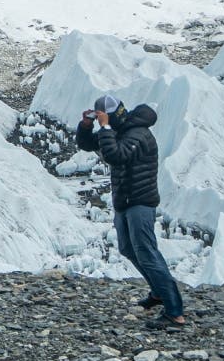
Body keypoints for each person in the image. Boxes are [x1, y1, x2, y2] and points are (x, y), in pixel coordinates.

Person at [75, 92, 186, 328]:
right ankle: (157, 293)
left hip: (140, 201)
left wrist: (104, 129)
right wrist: (86, 126)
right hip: (125, 201)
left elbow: (117, 156)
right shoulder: (122, 131)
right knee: (128, 248)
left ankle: (175, 312)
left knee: (147, 252)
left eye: (103, 116)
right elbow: (87, 144)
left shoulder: (138, 134)